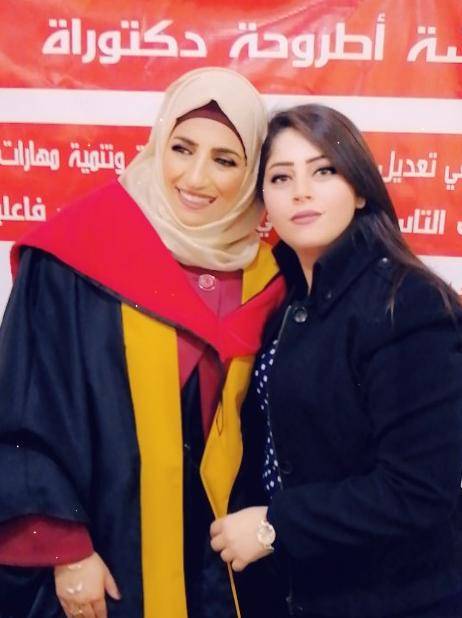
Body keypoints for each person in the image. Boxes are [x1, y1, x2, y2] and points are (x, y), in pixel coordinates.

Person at [0, 67, 287, 618]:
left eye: (225, 160)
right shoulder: (74, 258)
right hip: (107, 559)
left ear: (252, 173)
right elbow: (27, 406)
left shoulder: (271, 278)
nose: (196, 177)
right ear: (158, 145)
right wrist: (64, 549)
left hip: (224, 568)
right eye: (182, 148)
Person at [210, 104, 462, 618]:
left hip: (395, 597)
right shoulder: (282, 298)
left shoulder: (407, 303)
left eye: (323, 171)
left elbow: (419, 489)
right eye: (281, 177)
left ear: (360, 189)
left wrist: (275, 524)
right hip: (296, 591)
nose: (301, 192)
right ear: (263, 201)